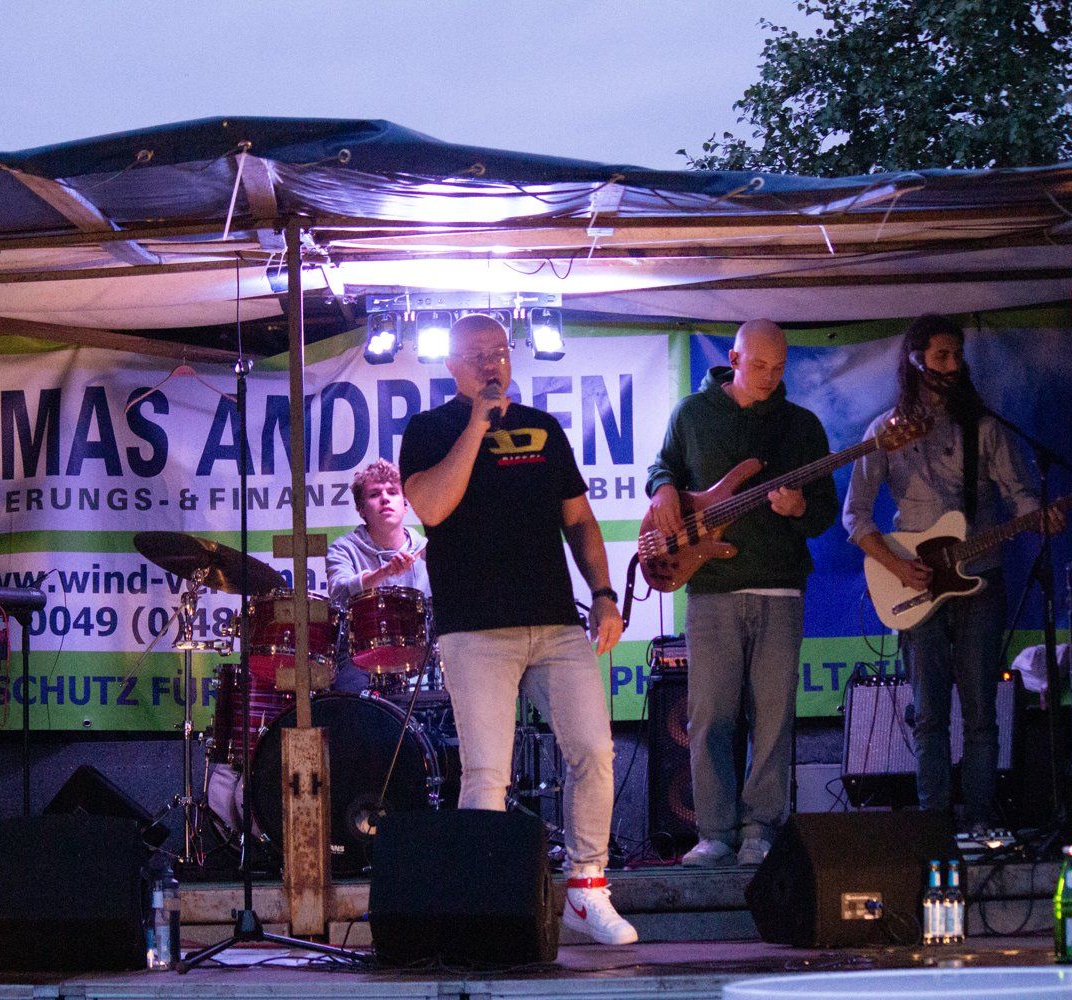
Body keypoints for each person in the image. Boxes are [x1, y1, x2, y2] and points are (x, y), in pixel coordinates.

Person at [399, 312, 638, 946]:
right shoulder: (429, 430)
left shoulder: (542, 427)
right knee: (486, 773)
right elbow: (431, 508)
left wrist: (604, 595)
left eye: (500, 351)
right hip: (476, 629)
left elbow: (578, 520)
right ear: (452, 365)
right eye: (477, 354)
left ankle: (587, 890)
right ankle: (480, 907)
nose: (491, 363)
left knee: (594, 751)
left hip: (556, 622)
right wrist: (477, 425)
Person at [843, 314, 1046, 832]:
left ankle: (980, 821)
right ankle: (933, 825)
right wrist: (897, 566)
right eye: (942, 356)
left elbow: (1022, 495)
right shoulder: (884, 433)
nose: (953, 365)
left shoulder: (985, 427)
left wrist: (1041, 513)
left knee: (981, 712)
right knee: (929, 713)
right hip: (916, 584)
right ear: (916, 361)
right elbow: (855, 517)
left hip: (981, 576)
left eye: (958, 356)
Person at [646, 320, 837, 868]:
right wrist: (662, 488)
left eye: (779, 368)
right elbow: (663, 465)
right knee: (708, 715)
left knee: (774, 718)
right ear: (733, 359)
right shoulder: (692, 414)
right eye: (759, 366)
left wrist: (801, 509)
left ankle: (760, 829)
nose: (770, 378)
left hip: (781, 587)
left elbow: (825, 512)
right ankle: (713, 832)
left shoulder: (801, 426)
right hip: (710, 587)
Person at [325, 459, 430, 693]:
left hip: (421, 659)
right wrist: (384, 572)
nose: (385, 498)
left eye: (392, 492)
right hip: (359, 658)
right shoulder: (343, 548)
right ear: (361, 509)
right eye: (374, 494)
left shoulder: (425, 550)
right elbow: (339, 592)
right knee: (349, 698)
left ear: (405, 504)